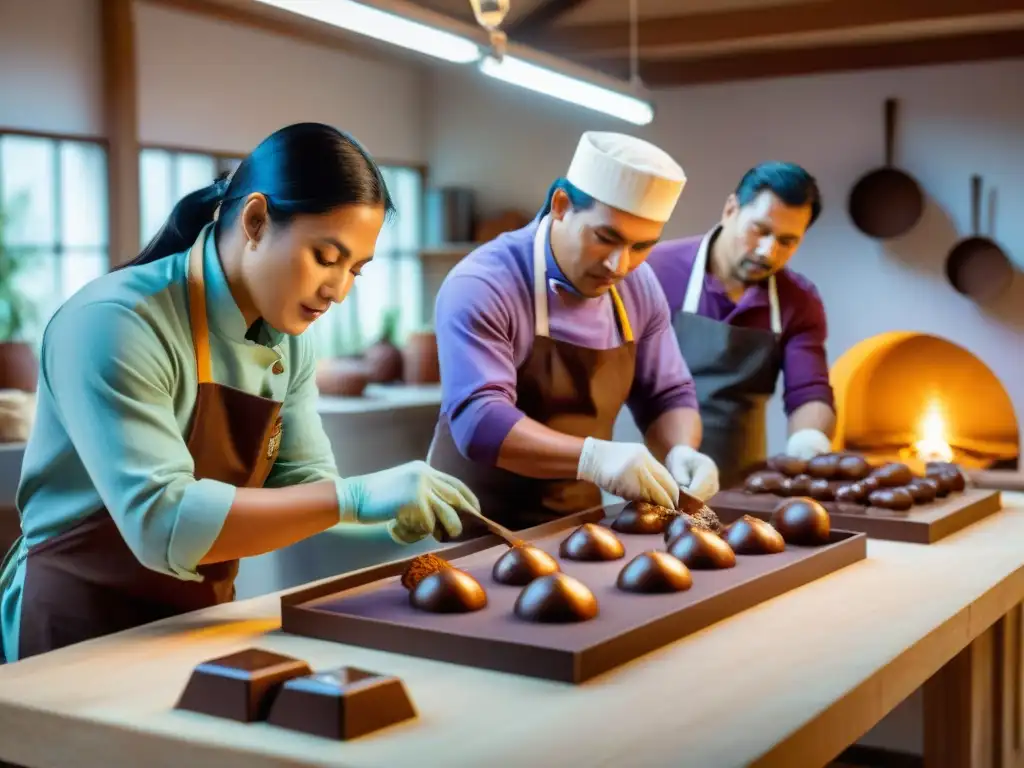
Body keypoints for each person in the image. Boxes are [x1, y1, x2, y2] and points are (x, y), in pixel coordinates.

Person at [0, 122, 479, 663]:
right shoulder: (114, 324)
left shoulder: (287, 342)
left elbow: (305, 483)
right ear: (255, 220)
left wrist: (383, 519)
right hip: (76, 630)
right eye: (326, 257)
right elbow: (164, 521)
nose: (338, 291)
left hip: (201, 623)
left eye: (356, 271)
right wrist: (355, 498)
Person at [427, 131, 719, 533]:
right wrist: (595, 460)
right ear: (562, 206)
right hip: (475, 525)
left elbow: (667, 395)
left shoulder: (639, 285)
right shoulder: (483, 282)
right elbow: (479, 421)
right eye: (606, 238)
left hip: (576, 525)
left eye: (641, 247)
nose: (620, 264)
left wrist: (682, 449)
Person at [645, 161, 835, 489]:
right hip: (647, 473)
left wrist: (809, 444)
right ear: (731, 209)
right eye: (760, 230)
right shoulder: (655, 271)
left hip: (741, 485)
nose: (768, 251)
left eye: (787, 241)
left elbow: (809, 390)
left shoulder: (799, 301)